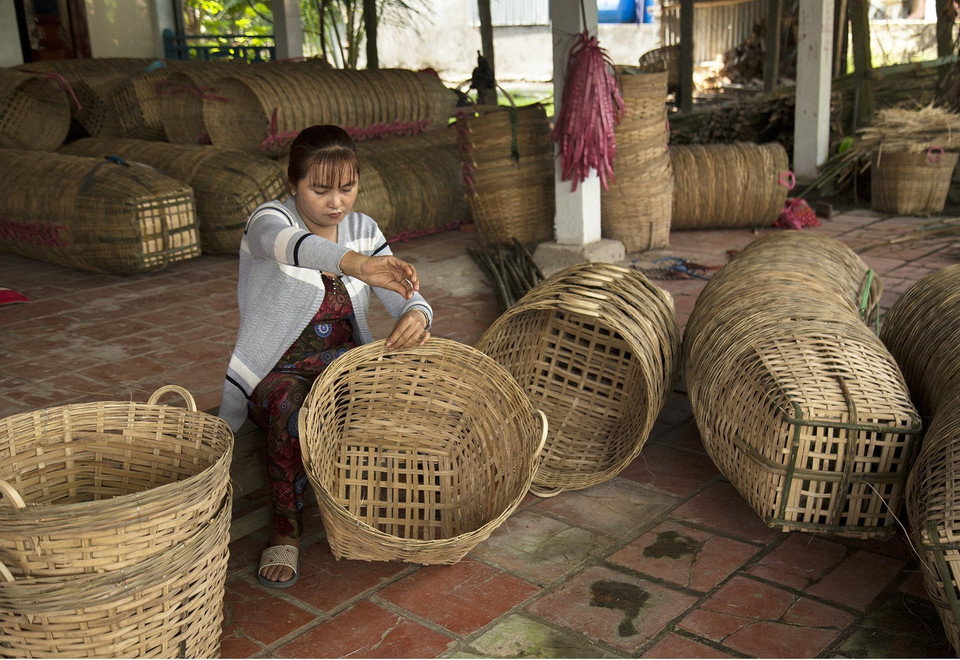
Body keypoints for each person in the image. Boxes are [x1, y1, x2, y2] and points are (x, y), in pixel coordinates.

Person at [218, 124, 433, 588]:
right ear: (293, 184)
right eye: (319, 189)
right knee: (290, 408)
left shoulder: (363, 230)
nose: (336, 202)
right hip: (278, 372)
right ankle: (285, 532)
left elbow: (402, 291)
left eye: (347, 188)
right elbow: (299, 249)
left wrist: (417, 312)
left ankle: (379, 507)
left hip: (341, 363)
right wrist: (358, 264)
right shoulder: (268, 223)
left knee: (409, 392)